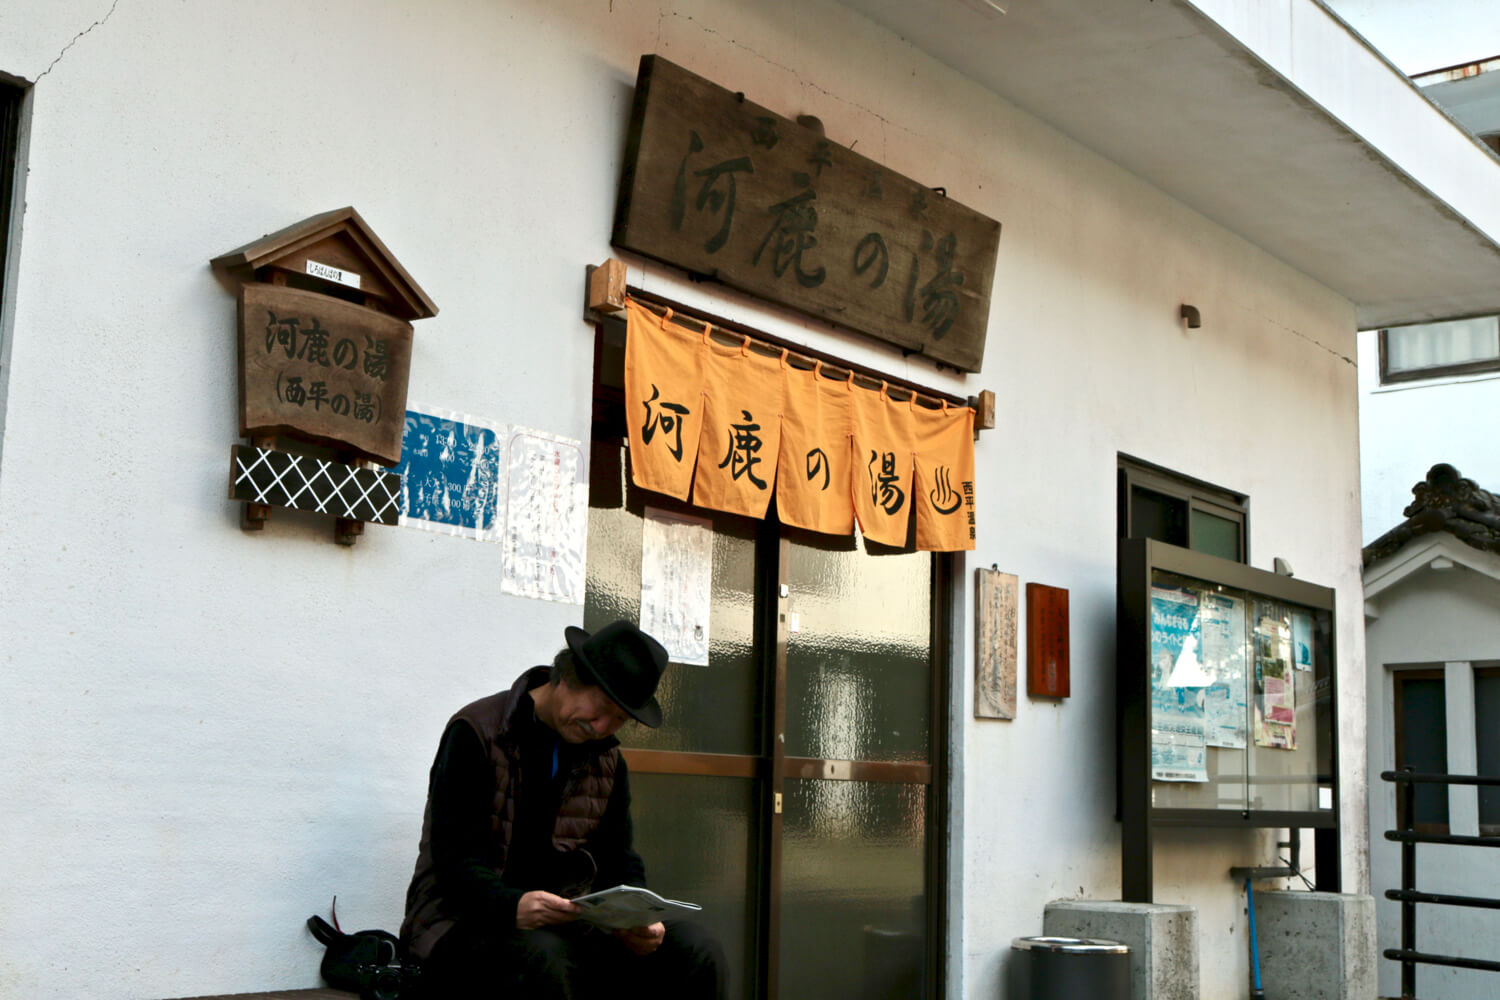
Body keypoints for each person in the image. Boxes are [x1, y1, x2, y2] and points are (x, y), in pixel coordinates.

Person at [400, 620, 727, 999]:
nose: (601, 727)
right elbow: (450, 855)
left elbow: (618, 857)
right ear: (566, 678)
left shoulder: (607, 760)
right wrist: (512, 905)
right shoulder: (476, 731)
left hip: (567, 926)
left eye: (618, 720)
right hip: (461, 922)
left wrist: (634, 918)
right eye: (599, 709)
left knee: (695, 948)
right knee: (543, 958)